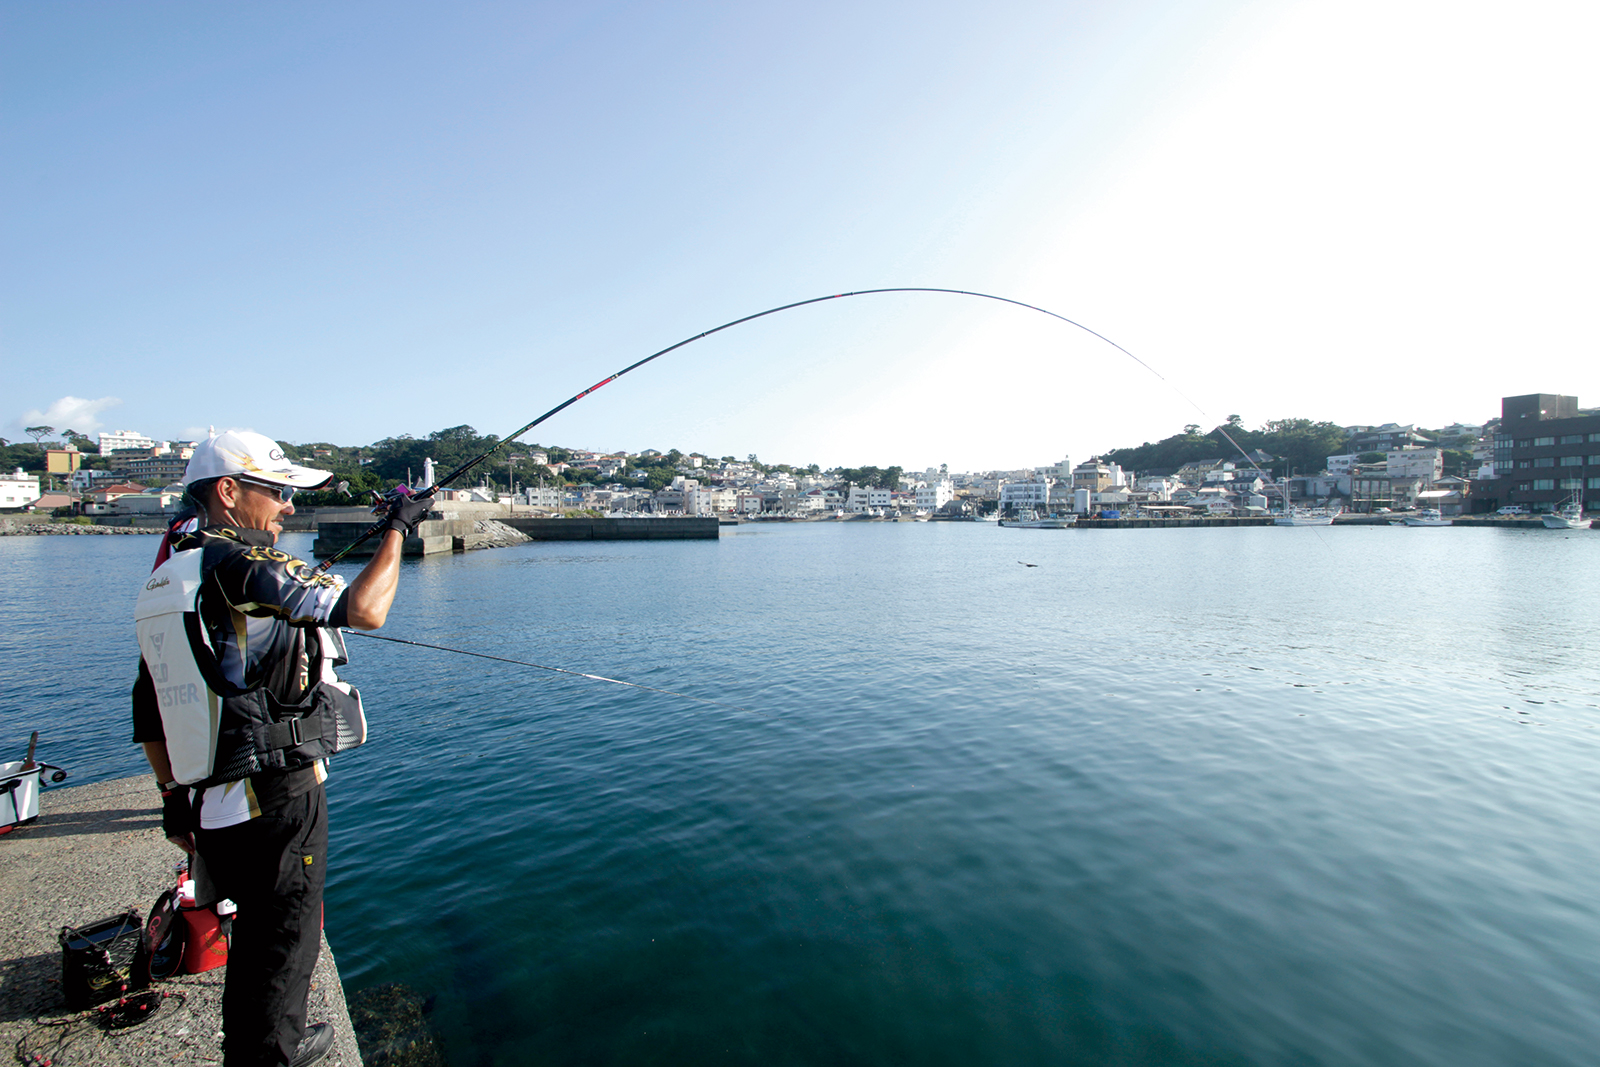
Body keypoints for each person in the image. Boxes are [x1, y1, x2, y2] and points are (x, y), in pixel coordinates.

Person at [132, 429, 431, 1067]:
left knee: (259, 938)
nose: (289, 506)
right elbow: (366, 609)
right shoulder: (241, 562)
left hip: (211, 795)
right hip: (274, 792)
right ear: (229, 491)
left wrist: (173, 798)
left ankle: (271, 1039)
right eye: (278, 492)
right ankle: (271, 1055)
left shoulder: (170, 574)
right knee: (286, 936)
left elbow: (147, 703)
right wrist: (400, 529)